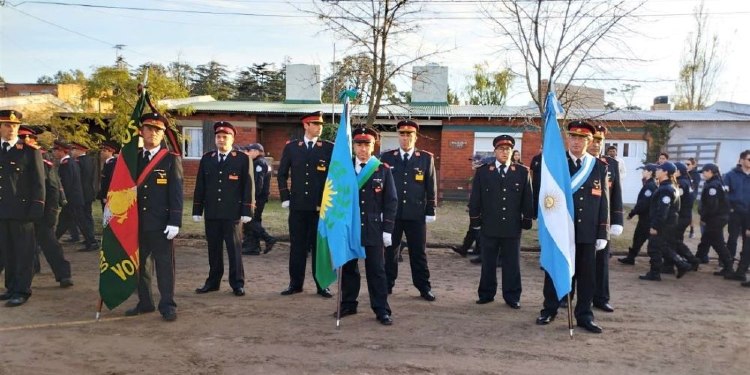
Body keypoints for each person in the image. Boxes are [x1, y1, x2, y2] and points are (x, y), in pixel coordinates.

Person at [536, 121, 609, 334]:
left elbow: (603, 201)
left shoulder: (598, 167)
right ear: (568, 139)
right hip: (560, 229)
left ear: (589, 141)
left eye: (581, 138)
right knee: (556, 271)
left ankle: (584, 315)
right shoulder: (556, 164)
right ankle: (549, 309)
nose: (576, 142)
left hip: (586, 231)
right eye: (573, 137)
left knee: (587, 276)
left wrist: (602, 231)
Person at [124, 112, 183, 322]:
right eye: (149, 128)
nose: (154, 133)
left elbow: (176, 193)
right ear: (141, 131)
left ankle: (167, 304)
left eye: (158, 130)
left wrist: (175, 221)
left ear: (163, 133)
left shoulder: (170, 159)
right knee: (141, 267)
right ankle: (145, 302)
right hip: (137, 222)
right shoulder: (134, 158)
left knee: (164, 266)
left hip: (161, 223)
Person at [337, 127, 397, 326]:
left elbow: (391, 201)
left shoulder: (382, 169)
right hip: (350, 227)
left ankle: (381, 309)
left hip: (373, 227)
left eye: (367, 145)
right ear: (353, 146)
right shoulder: (343, 169)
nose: (363, 149)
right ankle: (348, 304)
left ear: (373, 146)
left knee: (376, 270)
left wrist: (387, 230)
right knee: (348, 267)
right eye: (359, 145)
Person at [470, 135, 533, 309]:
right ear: (495, 151)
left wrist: (527, 219)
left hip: (512, 227)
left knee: (512, 264)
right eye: (501, 149)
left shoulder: (522, 172)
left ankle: (512, 296)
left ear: (512, 151)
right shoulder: (483, 172)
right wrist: (475, 221)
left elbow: (528, 197)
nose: (505, 152)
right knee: (488, 263)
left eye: (508, 149)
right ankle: (486, 294)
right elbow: (476, 198)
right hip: (489, 226)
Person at [193, 121, 254, 297]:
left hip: (232, 213)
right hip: (212, 212)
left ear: (232, 139)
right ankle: (213, 282)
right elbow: (201, 185)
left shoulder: (242, 159)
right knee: (214, 250)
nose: (221, 140)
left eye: (224, 137)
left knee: (234, 250)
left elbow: (248, 186)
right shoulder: (207, 158)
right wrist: (197, 209)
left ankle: (237, 283)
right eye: (218, 137)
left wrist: (247, 210)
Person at [277, 111, 334, 298]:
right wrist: (285, 197)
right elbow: (282, 174)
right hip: (298, 206)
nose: (319, 127)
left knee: (319, 248)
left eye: (321, 124)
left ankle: (321, 284)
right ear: (305, 125)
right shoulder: (293, 148)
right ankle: (295, 284)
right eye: (315, 123)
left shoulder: (328, 148)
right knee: (297, 247)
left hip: (320, 208)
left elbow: (335, 175)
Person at [380, 119, 438, 301]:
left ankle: (424, 287)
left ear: (415, 137)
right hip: (393, 215)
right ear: (398, 136)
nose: (406, 138)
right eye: (402, 134)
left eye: (409, 134)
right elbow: (381, 185)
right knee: (390, 252)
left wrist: (430, 209)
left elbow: (431, 185)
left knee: (418, 253)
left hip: (416, 214)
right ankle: (387, 285)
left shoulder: (426, 158)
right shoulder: (387, 158)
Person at [0, 110, 46, 307]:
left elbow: (38, 183)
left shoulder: (29, 151)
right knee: (7, 252)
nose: (12, 129)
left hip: (22, 211)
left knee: (23, 253)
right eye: (7, 125)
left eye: (15, 125)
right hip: (2, 212)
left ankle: (22, 290)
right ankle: (11, 287)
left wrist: (37, 209)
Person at [19, 126, 73, 288]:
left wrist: (51, 212)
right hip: (23, 211)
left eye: (27, 139)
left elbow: (53, 187)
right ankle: (31, 271)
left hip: (43, 212)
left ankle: (63, 275)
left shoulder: (43, 160)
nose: (24, 142)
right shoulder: (16, 158)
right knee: (22, 245)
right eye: (22, 139)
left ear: (34, 140)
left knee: (50, 245)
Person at [588, 125, 623, 313]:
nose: (596, 144)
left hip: (603, 220)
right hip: (581, 219)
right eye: (593, 140)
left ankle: (601, 298)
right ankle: (567, 297)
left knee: (602, 262)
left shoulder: (611, 163)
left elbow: (616, 193)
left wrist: (617, 220)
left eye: (599, 140)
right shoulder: (578, 162)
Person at [638, 162, 693, 281]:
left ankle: (655, 272)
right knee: (662, 246)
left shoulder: (666, 189)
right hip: (668, 223)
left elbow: (662, 210)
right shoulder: (668, 186)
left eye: (659, 169)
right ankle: (681, 264)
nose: (656, 171)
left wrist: (655, 226)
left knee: (654, 247)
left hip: (664, 223)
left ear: (666, 172)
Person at [694, 163, 734, 277]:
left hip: (715, 218)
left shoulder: (712, 186)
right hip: (719, 217)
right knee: (705, 241)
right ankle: (695, 262)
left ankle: (728, 266)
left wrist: (704, 217)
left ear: (710, 171)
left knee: (718, 243)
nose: (703, 174)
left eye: (704, 172)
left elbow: (712, 205)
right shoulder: (717, 183)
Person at [241, 143, 277, 255]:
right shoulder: (261, 162)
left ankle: (268, 239)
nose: (248, 152)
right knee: (254, 220)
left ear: (257, 151)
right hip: (260, 198)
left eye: (250, 150)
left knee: (250, 220)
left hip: (257, 198)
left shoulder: (259, 163)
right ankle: (253, 247)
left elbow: (258, 184)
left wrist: (253, 198)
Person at [618, 164, 658, 265]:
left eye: (644, 170)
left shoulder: (650, 186)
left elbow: (643, 204)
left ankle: (663, 262)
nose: (642, 172)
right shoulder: (648, 184)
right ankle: (631, 258)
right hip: (645, 218)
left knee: (651, 242)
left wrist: (632, 213)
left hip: (647, 218)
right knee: (638, 239)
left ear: (649, 172)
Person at [53, 141, 88, 251]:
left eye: (55, 150)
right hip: (73, 198)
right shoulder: (70, 162)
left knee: (80, 221)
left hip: (72, 199)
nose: (54, 153)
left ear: (61, 151)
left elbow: (67, 183)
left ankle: (91, 241)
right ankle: (52, 242)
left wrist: (62, 197)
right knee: (65, 221)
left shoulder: (67, 163)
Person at [724, 150, 750, 284]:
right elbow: (725, 194)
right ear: (741, 160)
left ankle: (742, 270)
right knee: (732, 239)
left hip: (749, 214)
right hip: (735, 212)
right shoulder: (730, 175)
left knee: (748, 243)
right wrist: (731, 208)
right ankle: (728, 267)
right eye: (749, 159)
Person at [70, 141, 98, 252]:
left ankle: (90, 240)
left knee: (82, 218)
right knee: (88, 216)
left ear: (80, 150)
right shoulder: (89, 160)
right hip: (88, 192)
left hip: (81, 193)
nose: (72, 152)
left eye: (74, 149)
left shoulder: (78, 162)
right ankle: (90, 237)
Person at [97, 140, 119, 211]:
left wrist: (106, 196)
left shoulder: (113, 163)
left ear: (111, 152)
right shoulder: (107, 163)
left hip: (109, 196)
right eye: (102, 151)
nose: (102, 152)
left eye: (104, 151)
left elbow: (110, 181)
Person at [686, 157, 701, 239]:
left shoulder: (696, 174)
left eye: (688, 164)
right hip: (684, 195)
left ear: (694, 165)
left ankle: (692, 230)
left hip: (691, 195)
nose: (686, 166)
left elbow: (694, 186)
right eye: (686, 164)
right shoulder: (685, 173)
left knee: (689, 212)